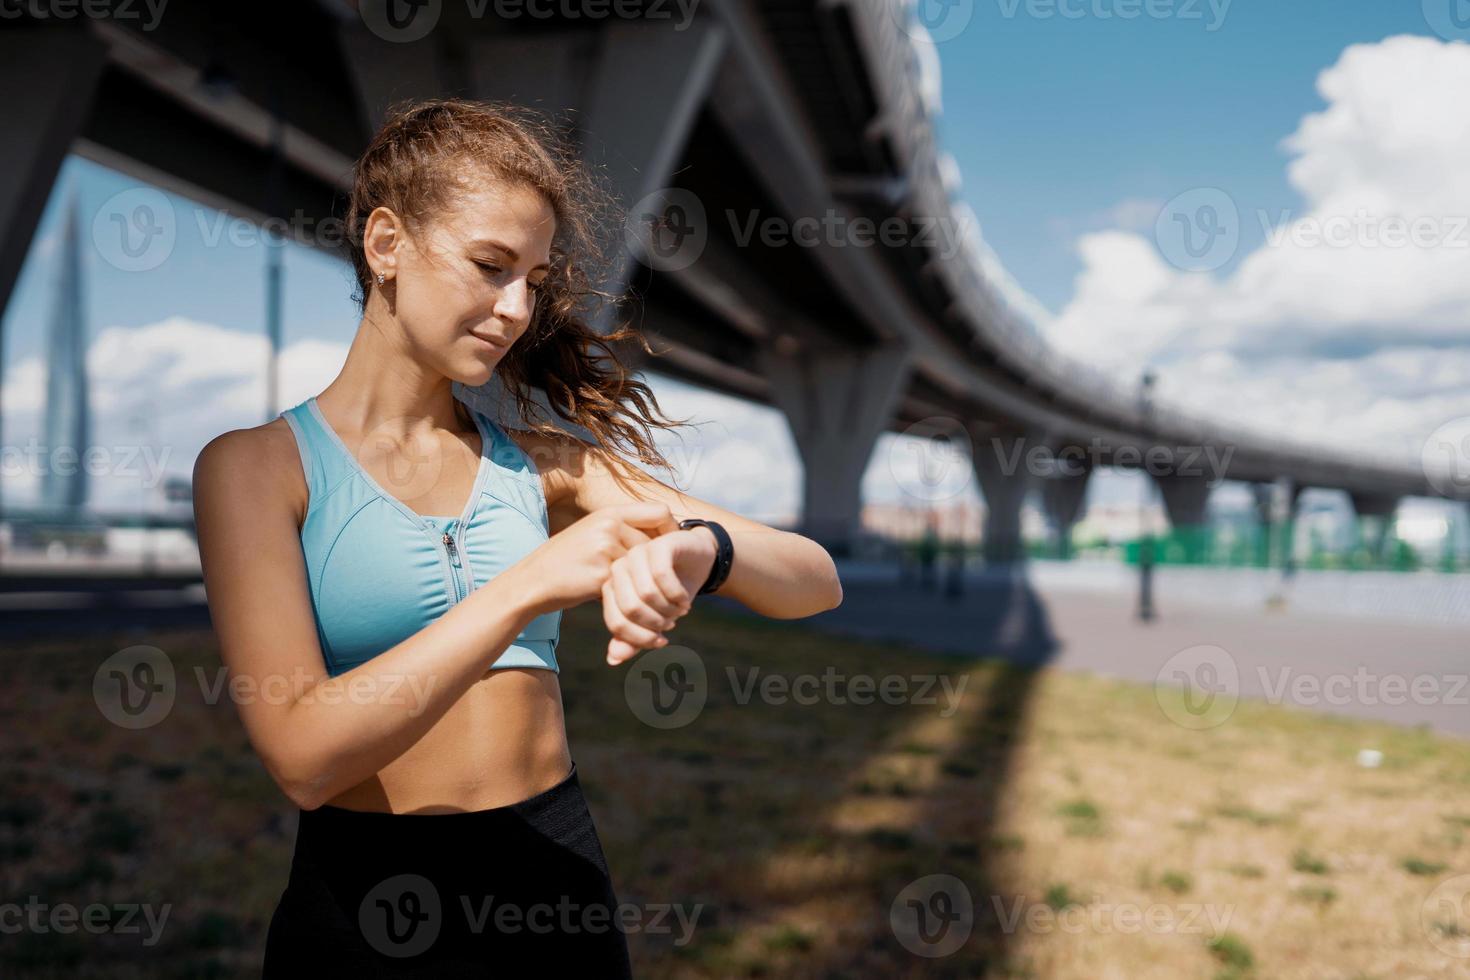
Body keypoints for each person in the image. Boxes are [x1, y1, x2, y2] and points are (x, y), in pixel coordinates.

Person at [191, 98, 843, 977]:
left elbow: (815, 580)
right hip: (361, 906)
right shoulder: (257, 470)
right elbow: (303, 757)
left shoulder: (546, 466)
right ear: (385, 244)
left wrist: (699, 550)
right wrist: (529, 584)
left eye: (533, 282)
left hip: (555, 887)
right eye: (490, 266)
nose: (514, 310)